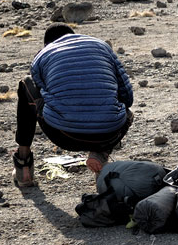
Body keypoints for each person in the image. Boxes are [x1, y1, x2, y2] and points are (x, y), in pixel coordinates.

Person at [12, 24, 134, 187]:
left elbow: (42, 89)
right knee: (127, 112)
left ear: (47, 44)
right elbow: (127, 96)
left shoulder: (43, 55)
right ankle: (101, 153)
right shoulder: (102, 46)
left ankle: (23, 166)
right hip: (109, 134)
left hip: (63, 134)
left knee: (26, 84)